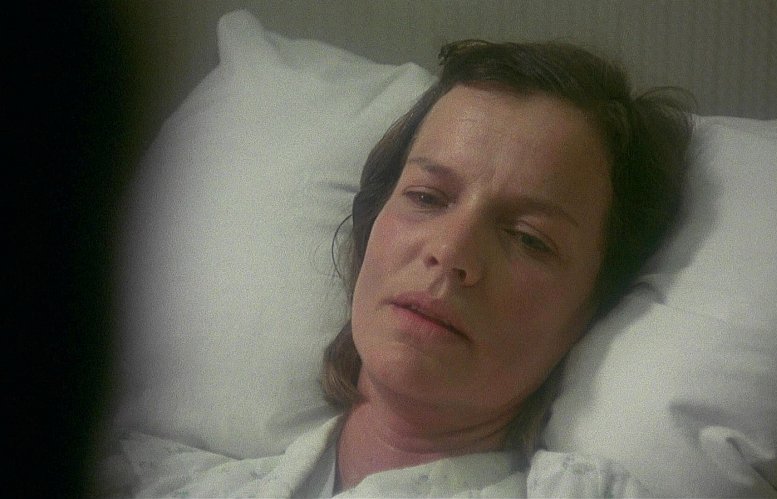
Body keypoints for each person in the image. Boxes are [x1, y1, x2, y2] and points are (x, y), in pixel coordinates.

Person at [113, 40, 691, 497]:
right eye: (427, 197)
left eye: (528, 238)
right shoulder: (154, 478)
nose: (452, 251)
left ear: (592, 309)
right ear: (370, 228)